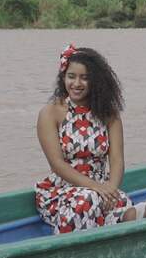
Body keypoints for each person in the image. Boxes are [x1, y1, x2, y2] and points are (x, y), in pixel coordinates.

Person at [35, 45, 134, 233]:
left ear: (96, 81)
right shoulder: (50, 113)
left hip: (102, 186)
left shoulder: (109, 114)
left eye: (85, 78)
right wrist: (96, 188)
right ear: (63, 78)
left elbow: (117, 160)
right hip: (62, 189)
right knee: (87, 200)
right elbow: (57, 164)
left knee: (126, 207)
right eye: (71, 76)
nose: (77, 83)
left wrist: (110, 190)